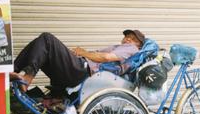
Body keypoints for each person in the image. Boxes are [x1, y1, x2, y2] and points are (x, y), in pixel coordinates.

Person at [10, 29, 145, 91]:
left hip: (83, 72)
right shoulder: (122, 47)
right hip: (80, 69)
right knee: (39, 45)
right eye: (127, 36)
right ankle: (11, 71)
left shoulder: (131, 49)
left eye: (132, 38)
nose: (128, 39)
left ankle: (26, 79)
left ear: (138, 44)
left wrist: (83, 52)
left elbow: (106, 58)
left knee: (47, 39)